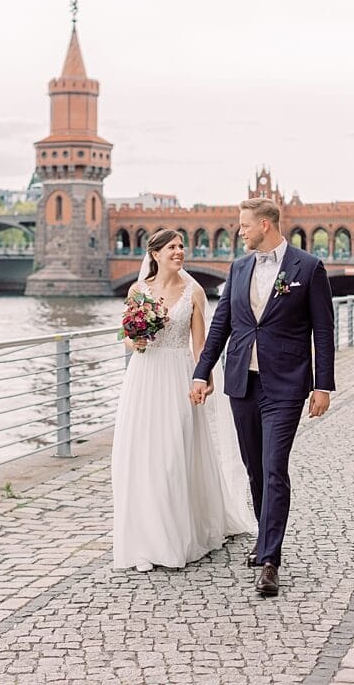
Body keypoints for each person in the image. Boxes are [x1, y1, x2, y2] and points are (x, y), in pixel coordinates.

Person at [191, 198, 335, 598]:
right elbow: (222, 326)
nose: (240, 232)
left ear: (266, 225)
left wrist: (323, 385)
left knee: (274, 468)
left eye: (244, 226)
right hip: (242, 382)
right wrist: (202, 372)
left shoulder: (308, 267)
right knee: (254, 467)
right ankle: (263, 535)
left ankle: (270, 558)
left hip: (286, 384)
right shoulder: (238, 269)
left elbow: (323, 331)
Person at [111, 229, 254, 572]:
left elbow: (201, 345)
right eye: (172, 247)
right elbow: (128, 338)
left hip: (178, 376)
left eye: (180, 246)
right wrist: (137, 342)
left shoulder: (194, 292)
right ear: (155, 254)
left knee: (174, 455)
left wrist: (203, 378)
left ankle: (176, 537)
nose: (179, 251)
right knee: (141, 455)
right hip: (144, 378)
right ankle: (144, 541)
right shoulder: (137, 291)